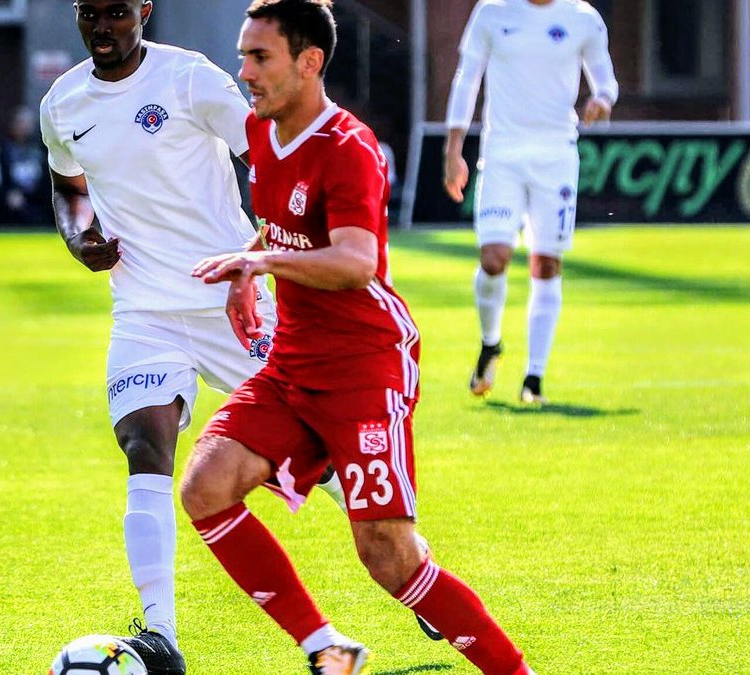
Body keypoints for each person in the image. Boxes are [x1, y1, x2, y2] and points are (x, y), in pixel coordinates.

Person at [181, 2, 536, 674]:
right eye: (243, 55)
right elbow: (283, 227)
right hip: (293, 361)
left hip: (366, 363)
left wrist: (261, 263)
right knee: (206, 485)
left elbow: (356, 261)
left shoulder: (349, 147)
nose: (244, 71)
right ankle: (326, 647)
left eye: (260, 57)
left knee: (388, 556)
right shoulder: (261, 132)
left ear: (309, 62)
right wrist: (248, 267)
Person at [40, 0, 305, 671]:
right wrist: (78, 236)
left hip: (230, 300)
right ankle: (162, 637)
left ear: (145, 11)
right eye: (90, 14)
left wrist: (256, 256)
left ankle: (408, 568)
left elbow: (271, 158)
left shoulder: (190, 79)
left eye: (117, 13)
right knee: (143, 444)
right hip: (144, 310)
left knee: (312, 450)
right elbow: (68, 185)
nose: (103, 27)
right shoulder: (63, 102)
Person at [443, 0, 618, 403]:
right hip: (501, 156)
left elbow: (606, 80)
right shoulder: (492, 12)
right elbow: (467, 78)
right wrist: (453, 150)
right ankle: (491, 343)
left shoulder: (582, 18)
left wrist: (602, 100)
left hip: (557, 158)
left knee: (547, 263)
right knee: (494, 259)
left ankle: (534, 378)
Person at [0, 107, 48, 225]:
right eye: (20, 123)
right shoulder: (5, 150)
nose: (23, 127)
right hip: (14, 195)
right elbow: (4, 180)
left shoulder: (42, 149)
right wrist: (11, 192)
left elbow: (47, 179)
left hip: (38, 197)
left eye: (27, 123)